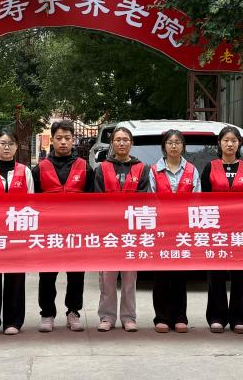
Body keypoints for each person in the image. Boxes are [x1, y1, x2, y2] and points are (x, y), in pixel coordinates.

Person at [33, 119, 92, 333]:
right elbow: (32, 202)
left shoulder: (84, 167)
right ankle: (47, 313)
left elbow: (94, 201)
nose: (63, 142)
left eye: (67, 138)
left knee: (76, 274)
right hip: (49, 230)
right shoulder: (40, 168)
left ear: (73, 139)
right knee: (47, 274)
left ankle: (73, 312)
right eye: (59, 138)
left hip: (76, 230)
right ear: (53, 140)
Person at [0, 129, 35, 335]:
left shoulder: (25, 171)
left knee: (15, 278)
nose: (6, 147)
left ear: (16, 147)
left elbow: (31, 203)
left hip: (17, 233)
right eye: (2, 143)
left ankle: (13, 321)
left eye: (10, 143)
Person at [93, 126, 151, 332]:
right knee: (107, 277)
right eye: (117, 139)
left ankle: (128, 317)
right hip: (108, 231)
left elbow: (144, 199)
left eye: (125, 139)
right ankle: (107, 317)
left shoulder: (142, 169)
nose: (121, 143)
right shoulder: (102, 169)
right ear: (112, 144)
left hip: (131, 232)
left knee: (129, 278)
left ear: (131, 143)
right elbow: (97, 200)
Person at [200, 125, 243, 333]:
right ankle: (217, 316)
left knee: (240, 273)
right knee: (216, 273)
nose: (230, 144)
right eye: (226, 140)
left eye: (233, 140)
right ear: (220, 143)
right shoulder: (210, 167)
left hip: (241, 228)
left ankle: (239, 317)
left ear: (239, 144)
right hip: (216, 229)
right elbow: (203, 200)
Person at [148, 128, 200, 333]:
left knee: (179, 274)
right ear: (164, 147)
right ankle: (161, 317)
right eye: (170, 143)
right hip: (162, 230)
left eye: (178, 142)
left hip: (183, 230)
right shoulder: (154, 170)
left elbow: (197, 200)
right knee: (161, 274)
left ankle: (180, 317)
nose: (174, 146)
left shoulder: (192, 170)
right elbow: (151, 200)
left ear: (183, 146)